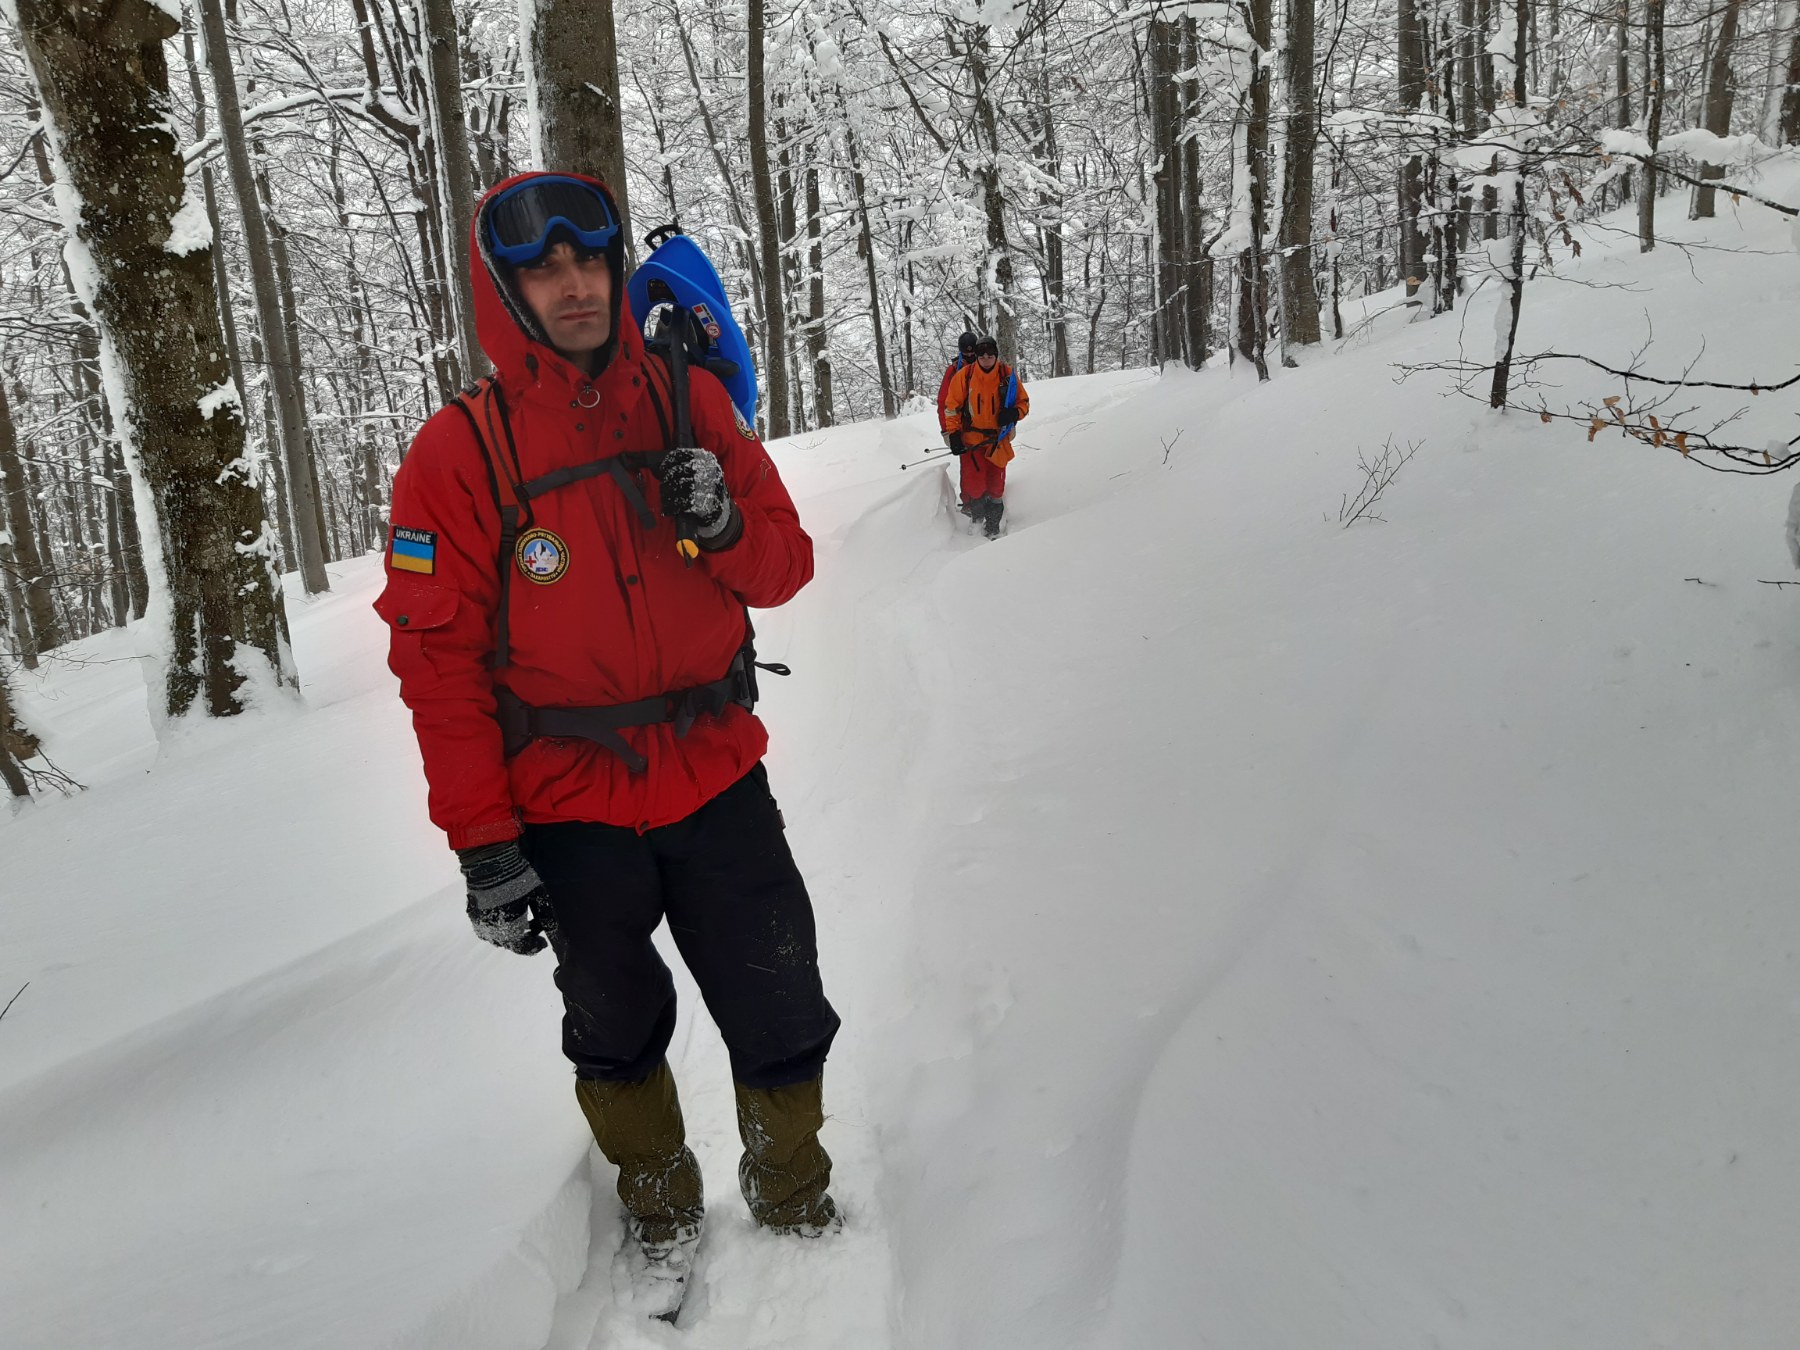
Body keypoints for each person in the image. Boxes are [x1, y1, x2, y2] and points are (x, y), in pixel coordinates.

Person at [375, 171, 841, 1316]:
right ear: (506, 291)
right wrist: (484, 844)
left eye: (589, 261)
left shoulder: (693, 404)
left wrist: (723, 523)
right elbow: (437, 667)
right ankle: (662, 1205)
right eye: (544, 270)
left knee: (779, 994)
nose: (575, 286)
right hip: (568, 804)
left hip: (717, 771)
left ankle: (791, 1191)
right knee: (613, 1023)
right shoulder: (458, 455)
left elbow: (786, 565)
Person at [943, 334, 1029, 538]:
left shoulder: (1007, 374)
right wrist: (953, 434)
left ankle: (993, 525)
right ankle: (977, 518)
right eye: (982, 355)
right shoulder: (964, 376)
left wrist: (1014, 413)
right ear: (977, 356)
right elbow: (951, 407)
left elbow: (1023, 403)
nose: (986, 359)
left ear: (996, 355)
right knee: (975, 485)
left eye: (990, 355)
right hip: (972, 441)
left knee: (996, 486)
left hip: (998, 441)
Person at [936, 330, 978, 430]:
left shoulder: (986, 368)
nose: (969, 356)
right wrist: (946, 429)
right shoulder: (953, 371)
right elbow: (943, 401)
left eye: (972, 353)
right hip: (961, 426)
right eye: (966, 353)